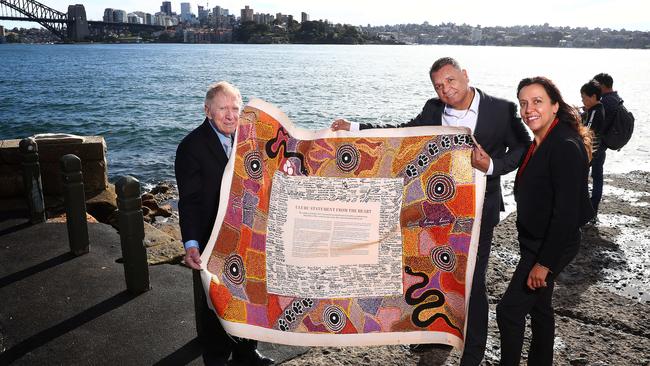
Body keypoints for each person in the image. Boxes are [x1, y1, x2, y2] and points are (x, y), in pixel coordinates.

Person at [331, 57, 531, 366]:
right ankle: (437, 336)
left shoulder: (501, 110)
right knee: (435, 273)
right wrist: (354, 129)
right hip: (437, 210)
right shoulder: (432, 109)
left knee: (473, 283)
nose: (446, 89)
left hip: (478, 212)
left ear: (465, 75)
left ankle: (473, 354)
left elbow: (523, 148)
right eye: (439, 85)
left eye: (450, 81)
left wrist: (492, 166)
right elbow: (402, 136)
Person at [496, 77, 594, 366]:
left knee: (509, 311)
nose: (529, 109)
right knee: (539, 309)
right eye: (523, 103)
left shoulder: (564, 145)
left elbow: (566, 213)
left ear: (554, 105)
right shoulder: (539, 141)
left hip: (550, 246)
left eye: (537, 101)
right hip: (534, 242)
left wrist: (544, 263)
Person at [175, 81, 274, 366]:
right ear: (207, 111)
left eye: (235, 108)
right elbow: (189, 201)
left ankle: (247, 353)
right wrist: (191, 243)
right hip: (211, 239)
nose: (230, 115)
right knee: (216, 305)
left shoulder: (250, 141)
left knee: (249, 295)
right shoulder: (191, 147)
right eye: (222, 109)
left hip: (248, 236)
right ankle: (217, 358)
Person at [580, 80, 606, 219]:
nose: (582, 100)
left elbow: (587, 130)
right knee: (595, 178)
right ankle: (590, 209)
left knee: (585, 178)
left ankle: (590, 209)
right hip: (597, 150)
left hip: (593, 151)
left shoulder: (595, 111)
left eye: (584, 97)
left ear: (594, 96)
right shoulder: (595, 109)